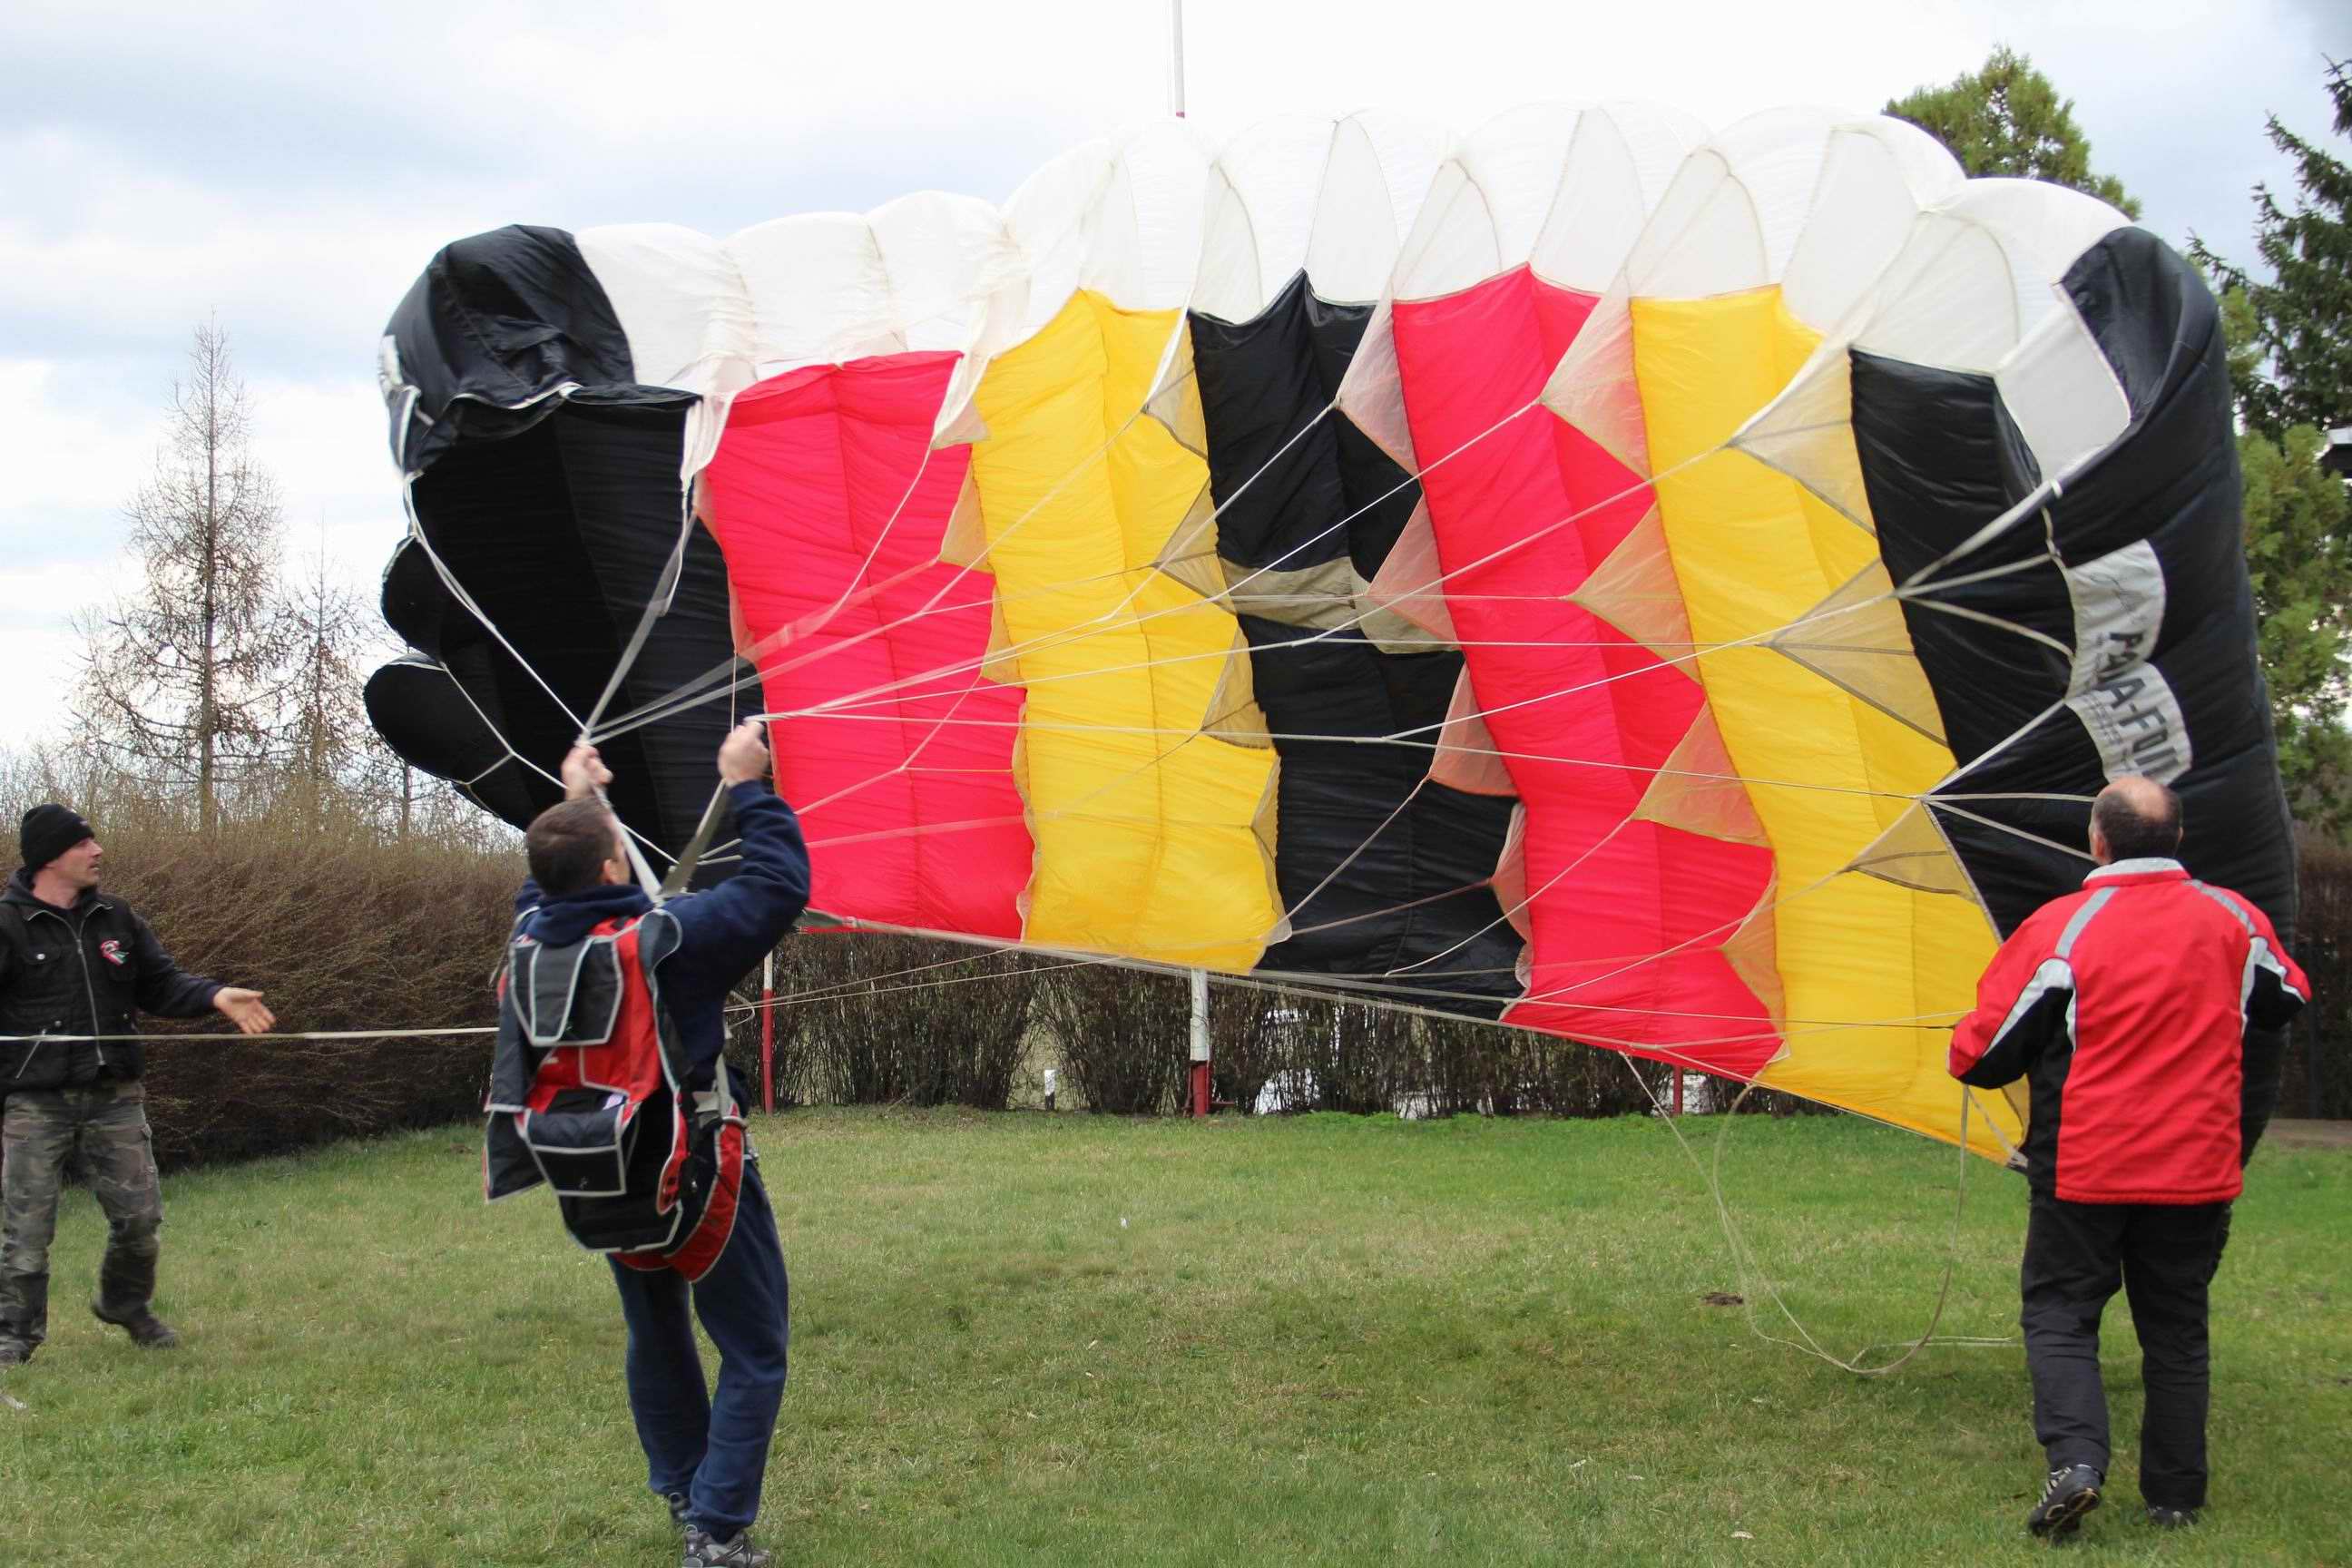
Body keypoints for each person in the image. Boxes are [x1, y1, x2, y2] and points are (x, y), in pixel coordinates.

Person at [1948, 775, 2308, 1540]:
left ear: (2098, 841)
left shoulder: (2061, 927)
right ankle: (2175, 1497)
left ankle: (2077, 1464)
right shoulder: (2235, 919)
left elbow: (1980, 1055)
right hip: (2196, 1169)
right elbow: (2288, 998)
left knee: (2061, 1313)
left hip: (2086, 1170)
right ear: (2177, 839)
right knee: (2176, 1327)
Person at [505, 723, 808, 1568]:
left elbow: (543, 889)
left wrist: (576, 802)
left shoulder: (526, 945)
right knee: (754, 1346)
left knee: (658, 1328)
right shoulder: (668, 941)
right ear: (613, 871)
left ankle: (684, 1487)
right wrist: (747, 786)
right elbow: (778, 886)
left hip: (597, 1175)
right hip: (695, 1170)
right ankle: (716, 1528)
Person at [0, 804, 276, 1367]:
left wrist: (215, 996)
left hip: (115, 1099)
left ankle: (124, 1303)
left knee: (140, 1220)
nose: (97, 851)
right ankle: (14, 1338)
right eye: (84, 843)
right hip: (36, 1102)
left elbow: (162, 983)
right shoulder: (7, 925)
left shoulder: (117, 918)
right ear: (50, 856)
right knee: (25, 1232)